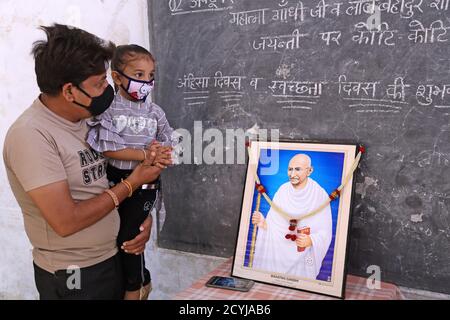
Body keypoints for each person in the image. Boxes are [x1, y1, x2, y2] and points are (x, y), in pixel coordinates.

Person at [2, 24, 171, 300]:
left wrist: (140, 220)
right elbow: (66, 221)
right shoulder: (31, 136)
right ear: (69, 91)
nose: (107, 89)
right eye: (99, 84)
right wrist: (131, 185)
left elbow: (109, 178)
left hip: (112, 256)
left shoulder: (87, 120)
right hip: (74, 272)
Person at [86, 44, 175, 300]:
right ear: (116, 77)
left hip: (145, 186)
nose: (146, 82)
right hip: (114, 181)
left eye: (150, 76)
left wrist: (164, 153)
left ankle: (135, 288)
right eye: (138, 75)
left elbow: (170, 140)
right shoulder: (109, 110)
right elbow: (109, 148)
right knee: (113, 235)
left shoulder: (155, 112)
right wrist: (146, 155)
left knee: (130, 237)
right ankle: (136, 281)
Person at [251, 154, 332, 279]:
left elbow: (325, 232)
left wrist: (311, 240)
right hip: (280, 250)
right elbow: (274, 225)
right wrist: (263, 223)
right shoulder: (282, 190)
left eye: (298, 169)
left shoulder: (319, 195)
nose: (292, 174)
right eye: (290, 169)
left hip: (302, 253)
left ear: (309, 171)